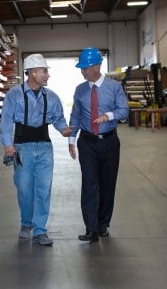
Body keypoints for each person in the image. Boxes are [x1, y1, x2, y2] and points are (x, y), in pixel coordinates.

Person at [0, 53, 73, 246]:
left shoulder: (52, 96)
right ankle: (26, 223)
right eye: (44, 71)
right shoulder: (14, 95)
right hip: (22, 147)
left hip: (45, 147)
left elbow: (58, 119)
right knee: (24, 189)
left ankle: (40, 230)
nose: (47, 75)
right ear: (32, 72)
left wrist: (64, 130)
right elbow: (6, 121)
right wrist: (7, 144)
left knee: (43, 189)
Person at [68, 47, 129, 243]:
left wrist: (108, 116)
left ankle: (103, 225)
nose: (83, 71)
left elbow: (124, 110)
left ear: (97, 66)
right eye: (82, 68)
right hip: (87, 143)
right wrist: (71, 140)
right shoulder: (80, 89)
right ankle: (91, 229)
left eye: (85, 68)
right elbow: (75, 116)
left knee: (107, 185)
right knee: (89, 185)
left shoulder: (114, 87)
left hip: (110, 142)